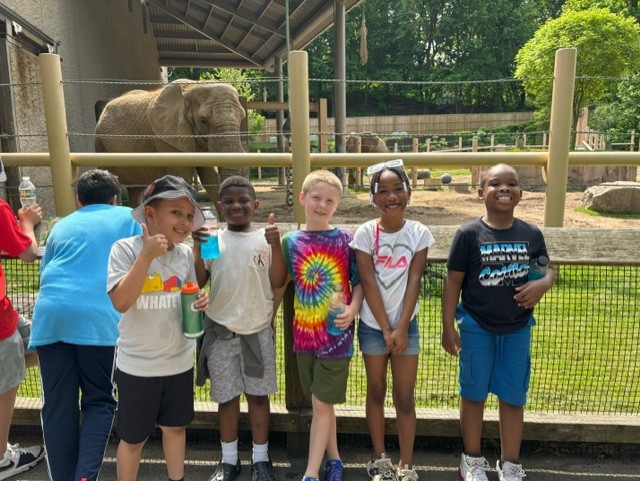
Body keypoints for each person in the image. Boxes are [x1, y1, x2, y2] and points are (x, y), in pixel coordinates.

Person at [441, 163, 555, 481]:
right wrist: (448, 325)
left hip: (517, 328)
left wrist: (543, 283)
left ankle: (511, 464)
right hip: (476, 326)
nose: (504, 188)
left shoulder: (530, 233)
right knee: (473, 394)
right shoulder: (468, 234)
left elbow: (545, 269)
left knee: (513, 396)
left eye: (511, 183)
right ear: (481, 192)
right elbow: (452, 282)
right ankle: (472, 460)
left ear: (520, 193)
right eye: (495, 183)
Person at [29, 169, 142, 481]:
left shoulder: (60, 224)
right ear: (115, 198)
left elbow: (45, 271)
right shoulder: (129, 217)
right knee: (100, 401)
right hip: (100, 321)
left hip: (52, 318)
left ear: (78, 200)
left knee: (58, 405)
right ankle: (84, 477)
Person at [107, 175, 210, 481]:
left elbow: (187, 292)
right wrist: (147, 255)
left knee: (176, 428)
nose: (185, 222)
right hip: (138, 366)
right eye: (176, 212)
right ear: (150, 214)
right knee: (133, 439)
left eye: (189, 215)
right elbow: (121, 302)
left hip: (177, 362)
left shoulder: (182, 255)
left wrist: (198, 297)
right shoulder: (124, 250)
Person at [193, 176, 286, 481]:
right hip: (221, 332)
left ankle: (261, 458)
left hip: (257, 330)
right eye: (229, 201)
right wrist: (196, 249)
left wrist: (275, 244)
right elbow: (201, 279)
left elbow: (277, 279)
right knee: (226, 397)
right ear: (220, 207)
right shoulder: (212, 240)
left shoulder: (265, 239)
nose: (237, 206)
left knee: (259, 397)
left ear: (255, 205)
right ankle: (229, 460)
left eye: (243, 201)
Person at [350, 159, 434, 481]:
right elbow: (368, 282)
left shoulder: (419, 233)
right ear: (373, 198)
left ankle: (406, 463)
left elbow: (415, 280)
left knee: (404, 395)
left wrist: (400, 328)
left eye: (398, 189)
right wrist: (386, 329)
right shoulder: (364, 234)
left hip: (406, 327)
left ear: (408, 193)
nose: (391, 196)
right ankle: (380, 458)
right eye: (383, 191)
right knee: (375, 389)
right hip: (373, 327)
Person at [279, 169, 363, 481]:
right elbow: (280, 283)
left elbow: (360, 281)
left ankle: (311, 473)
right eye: (316, 198)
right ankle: (335, 460)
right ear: (302, 198)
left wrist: (353, 309)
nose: (322, 205)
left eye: (330, 200)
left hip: (336, 334)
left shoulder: (345, 239)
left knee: (320, 402)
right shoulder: (291, 242)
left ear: (337, 204)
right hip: (304, 335)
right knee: (322, 406)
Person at [0, 191, 45, 480]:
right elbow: (28, 253)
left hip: (8, 315)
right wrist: (27, 223)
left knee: (44, 343)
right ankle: (2, 460)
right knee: (6, 388)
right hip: (0, 325)